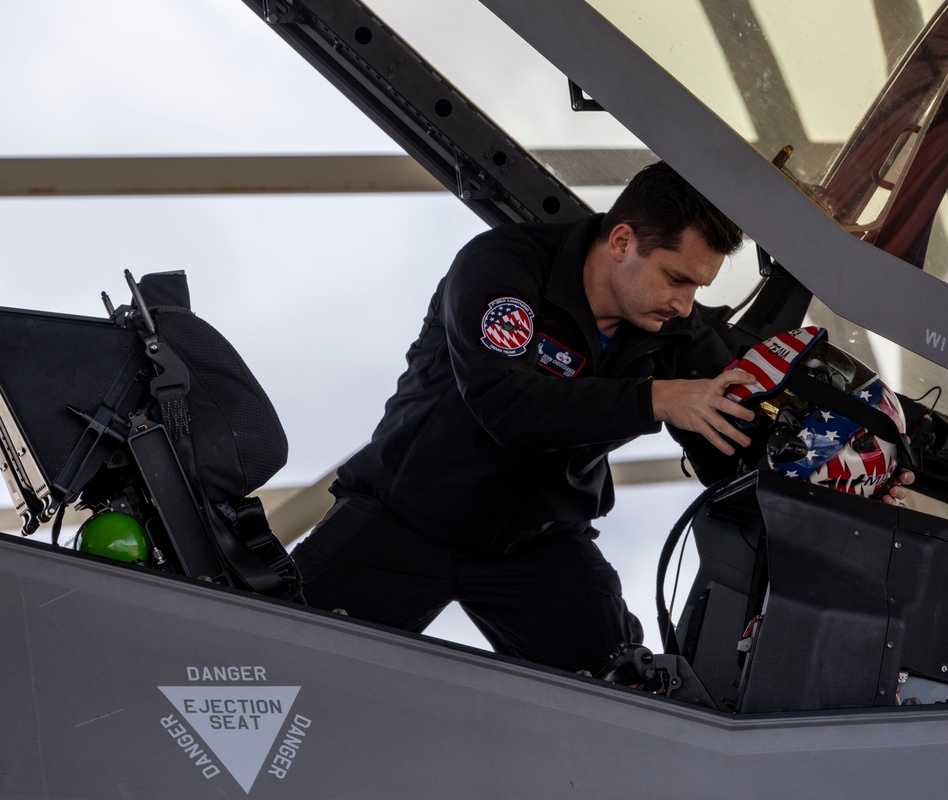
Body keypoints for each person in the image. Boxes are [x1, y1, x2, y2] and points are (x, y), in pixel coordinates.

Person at [292, 161, 910, 675]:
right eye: (675, 278)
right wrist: (655, 399)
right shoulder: (503, 269)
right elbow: (504, 407)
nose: (684, 303)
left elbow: (739, 446)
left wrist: (853, 482)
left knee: (632, 697)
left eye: (697, 287)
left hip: (536, 547)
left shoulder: (678, 331)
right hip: (403, 520)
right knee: (259, 659)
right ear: (621, 242)